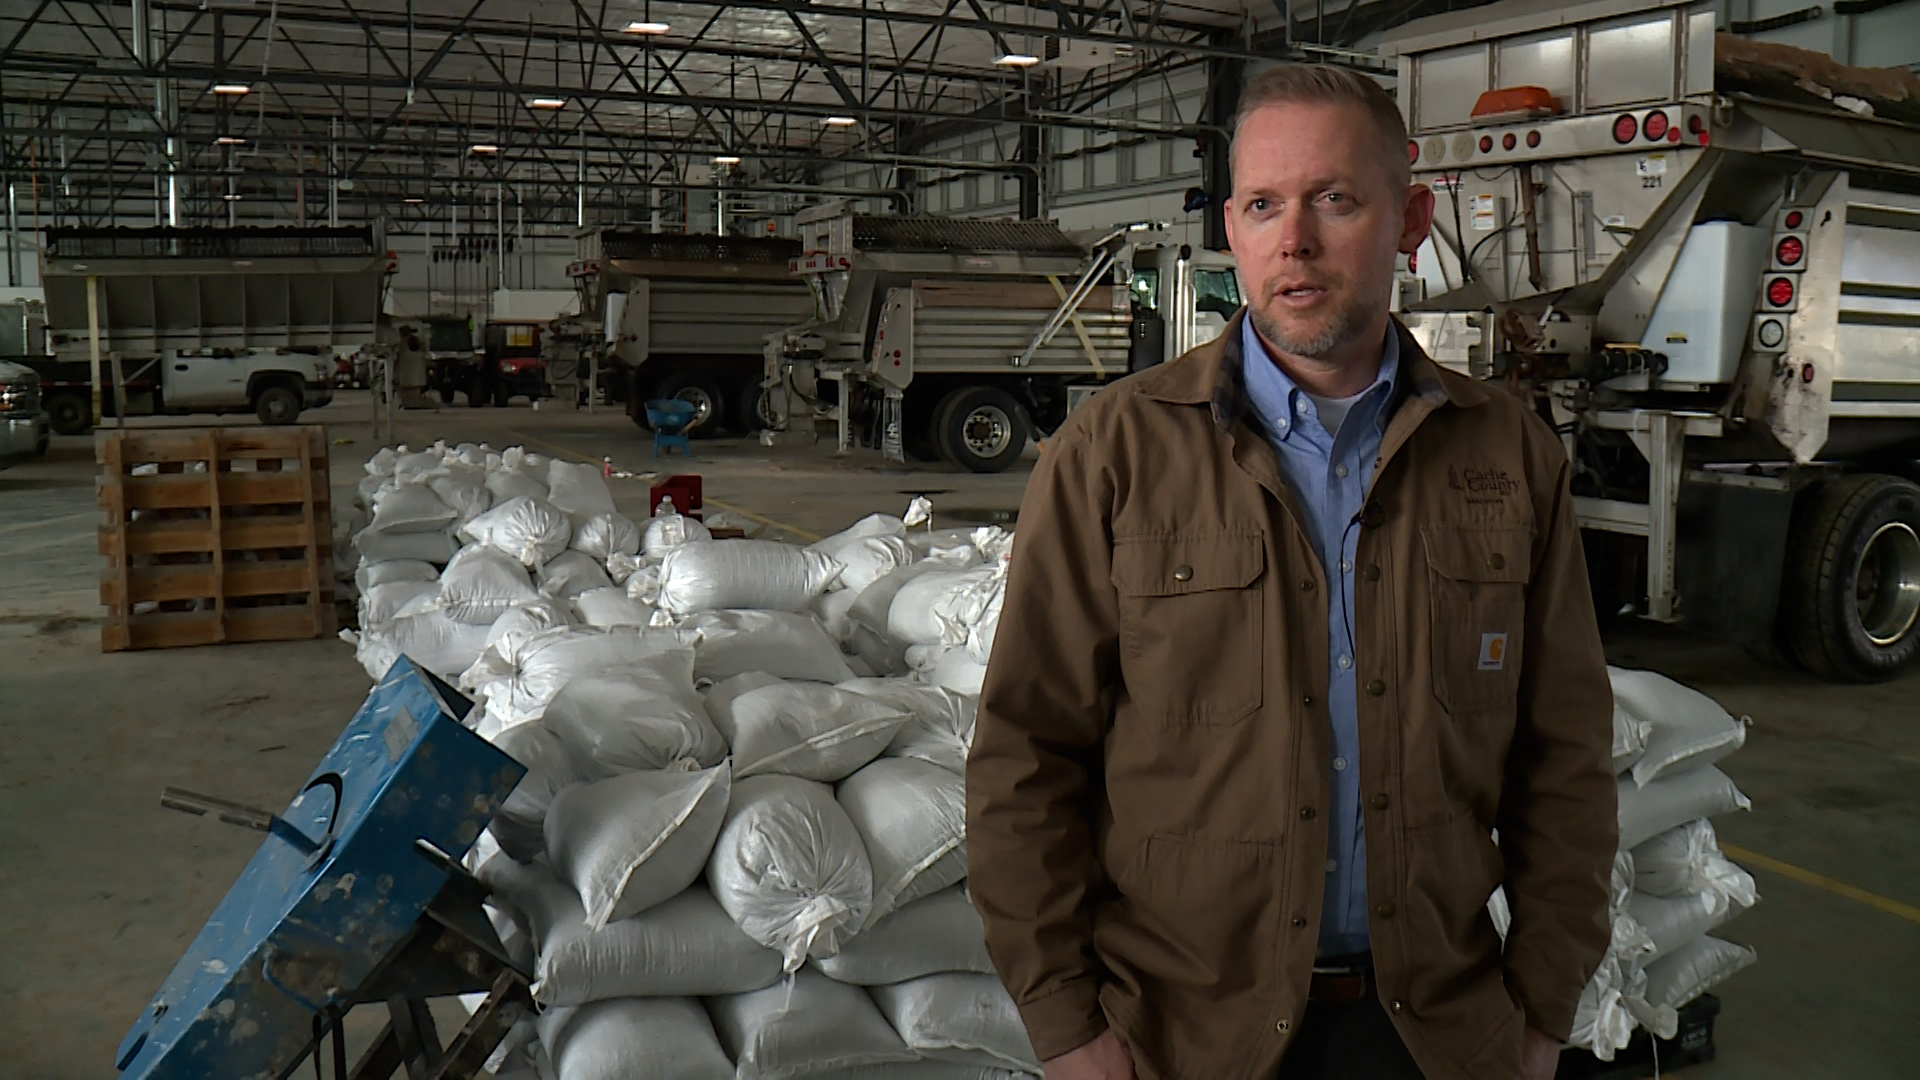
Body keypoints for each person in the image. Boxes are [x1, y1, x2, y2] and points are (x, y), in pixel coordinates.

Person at [966, 63, 1617, 1080]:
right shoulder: (1116, 452)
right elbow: (1025, 755)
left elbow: (1565, 757)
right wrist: (1065, 1024)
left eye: (1336, 200)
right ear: (1231, 227)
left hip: (1435, 1036)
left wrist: (1541, 1010)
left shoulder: (1507, 456)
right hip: (1180, 1037)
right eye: (1265, 204)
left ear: (1408, 219)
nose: (1295, 240)